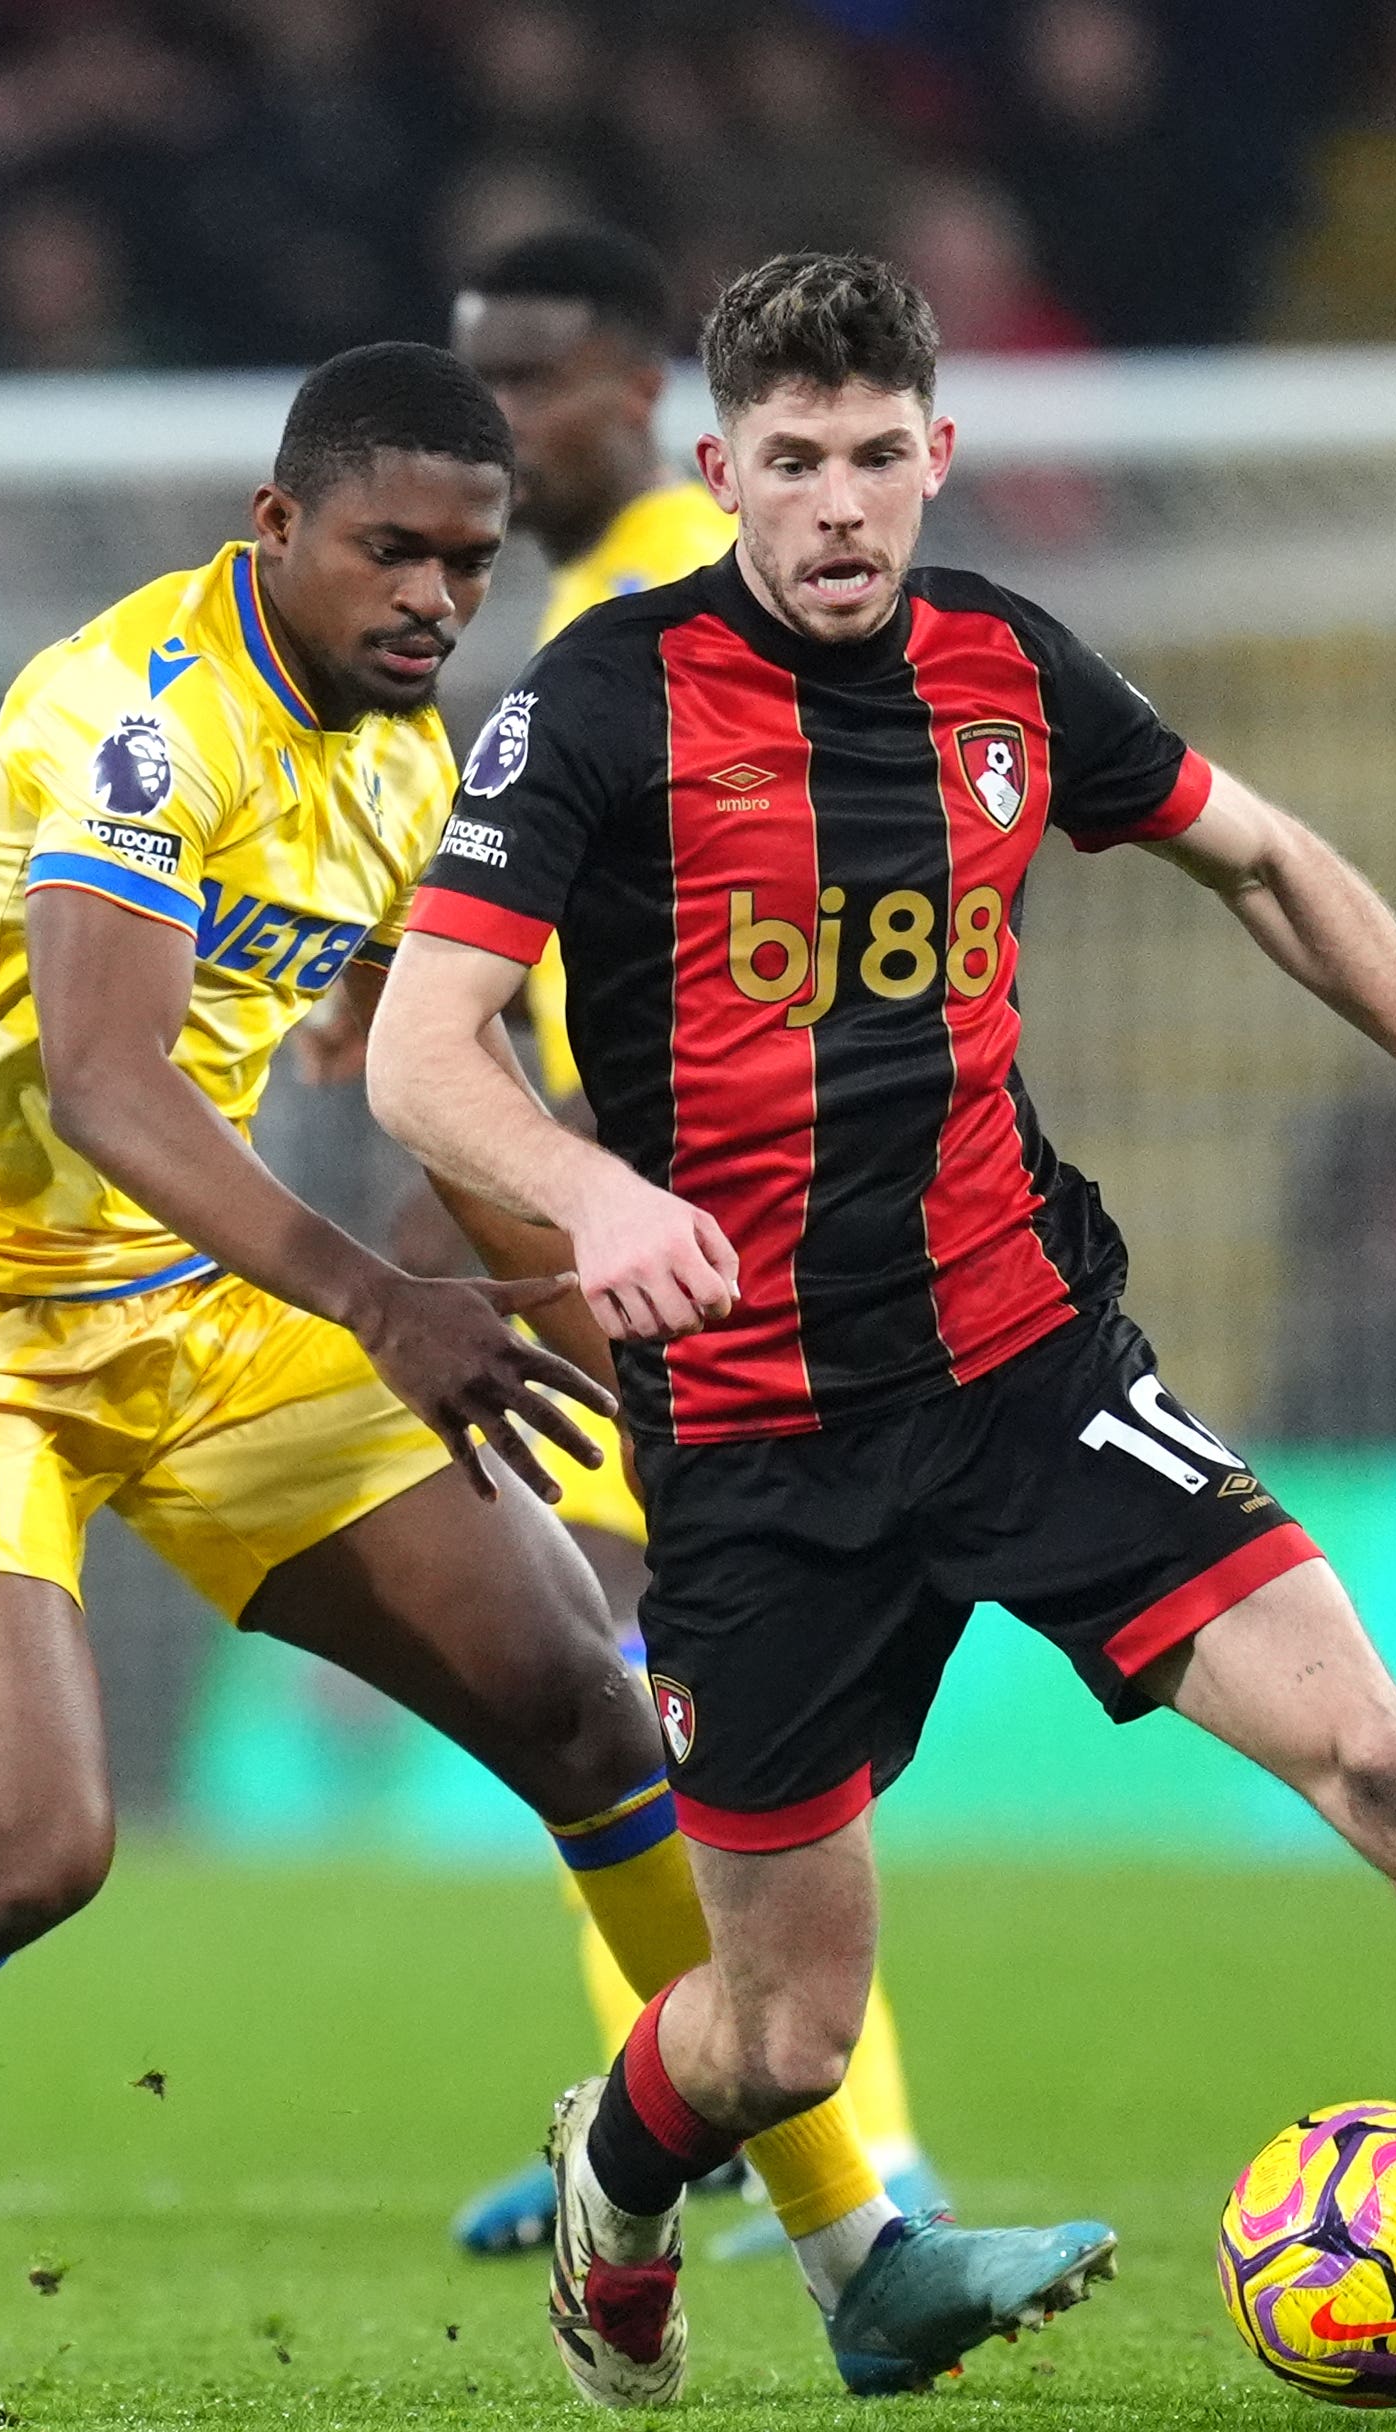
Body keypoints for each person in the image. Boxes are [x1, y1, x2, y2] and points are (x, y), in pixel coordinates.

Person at [365, 255, 1396, 2411]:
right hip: (758, 1444)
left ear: (942, 454)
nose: (840, 507)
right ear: (721, 469)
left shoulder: (1009, 666)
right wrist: (596, 1189)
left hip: (1032, 1369)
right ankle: (615, 2184)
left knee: (1390, 1763)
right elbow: (423, 1052)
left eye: (878, 458)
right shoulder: (604, 696)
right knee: (782, 2038)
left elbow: (1265, 860)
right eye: (795, 465)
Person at [0, 344, 1086, 2395]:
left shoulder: (398, 759)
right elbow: (105, 1085)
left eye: (465, 564)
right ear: (275, 527)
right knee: (25, 1855)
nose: (434, 600)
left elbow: (435, 1075)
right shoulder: (129, 723)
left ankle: (855, 2247)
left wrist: (622, 1313)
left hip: (202, 1316)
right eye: (391, 554)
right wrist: (385, 1299)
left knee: (594, 1717)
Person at [431, 221, 957, 2266]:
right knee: (614, 1685)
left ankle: (829, 2134)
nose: (494, 424)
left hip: (684, 1215)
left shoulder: (677, 564)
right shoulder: (589, 585)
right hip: (601, 1198)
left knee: (684, 1689)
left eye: (531, 378)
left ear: (640, 390)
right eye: (471, 379)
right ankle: (700, 2097)